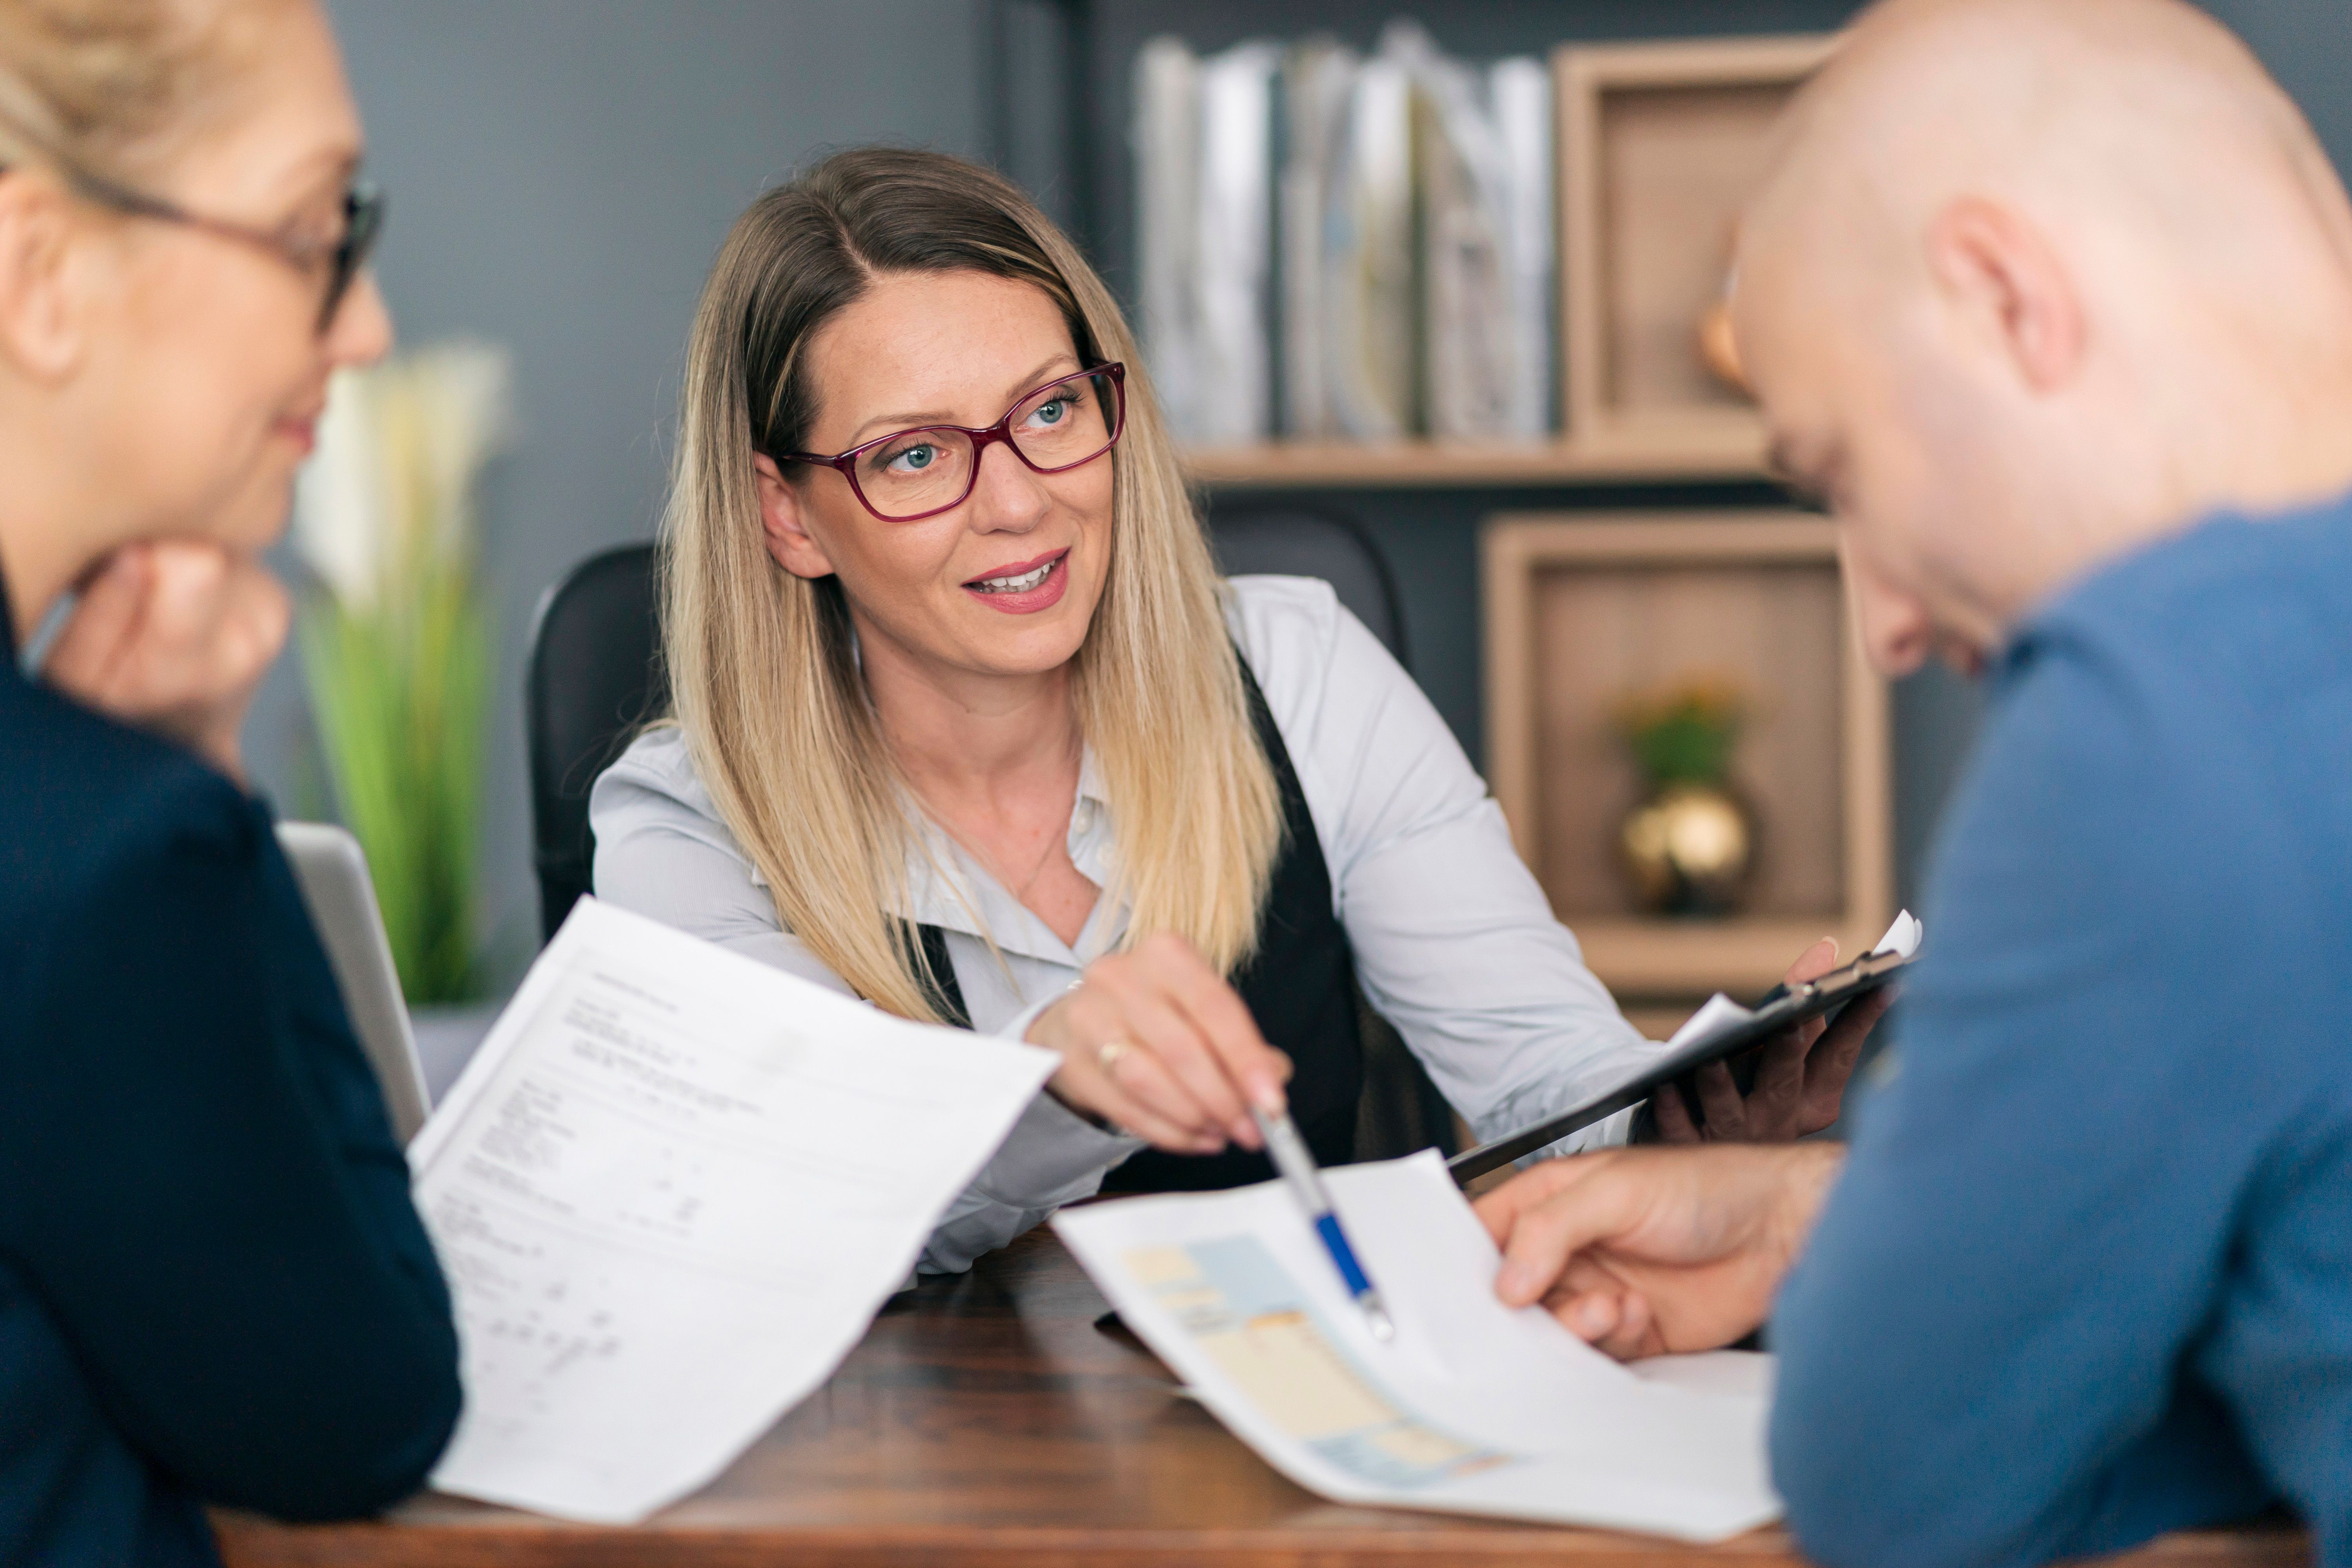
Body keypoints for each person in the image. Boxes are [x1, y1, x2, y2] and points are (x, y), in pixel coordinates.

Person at [590, 147, 1887, 1274]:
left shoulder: (1300, 670)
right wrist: (1059, 1080)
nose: (1021, 502)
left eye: (1050, 411)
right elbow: (800, 1223)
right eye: (914, 455)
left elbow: (1547, 1073)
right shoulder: (690, 828)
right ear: (787, 514)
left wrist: (1685, 1134)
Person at [1474, 1, 2352, 1565]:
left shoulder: (2159, 711)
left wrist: (1857, 1259)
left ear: (2008, 299)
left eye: (1847, 475)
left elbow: (1900, 1486)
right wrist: (1824, 1211)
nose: (1881, 624)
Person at [0, 0, 461, 1561]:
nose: (366, 325)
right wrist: (189, 775)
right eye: (311, 230)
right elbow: (366, 1410)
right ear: (41, 276)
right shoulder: (97, 849)